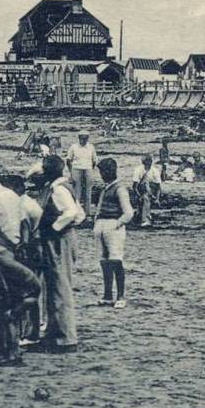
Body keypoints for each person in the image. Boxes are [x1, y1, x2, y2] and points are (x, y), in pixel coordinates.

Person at [0, 163, 41, 365]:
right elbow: (23, 223)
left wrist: (10, 245)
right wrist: (19, 245)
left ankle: (4, 349)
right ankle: (11, 347)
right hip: (12, 251)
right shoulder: (11, 194)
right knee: (11, 300)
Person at [36, 155, 81, 351]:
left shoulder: (59, 189)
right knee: (55, 286)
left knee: (60, 287)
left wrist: (54, 228)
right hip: (63, 237)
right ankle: (56, 333)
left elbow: (72, 213)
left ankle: (65, 338)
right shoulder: (62, 186)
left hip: (59, 238)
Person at [3, 175, 43, 346]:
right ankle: (30, 331)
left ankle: (28, 332)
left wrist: (18, 250)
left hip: (29, 250)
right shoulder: (29, 202)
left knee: (24, 292)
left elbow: (24, 234)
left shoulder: (21, 206)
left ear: (18, 188)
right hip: (37, 247)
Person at [93, 158, 135, 309]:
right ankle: (107, 295)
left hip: (113, 226)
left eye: (104, 171)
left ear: (111, 171)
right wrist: (96, 223)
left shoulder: (120, 188)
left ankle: (121, 296)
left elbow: (129, 212)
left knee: (116, 261)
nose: (102, 174)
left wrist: (117, 224)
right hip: (102, 225)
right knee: (104, 262)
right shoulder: (106, 188)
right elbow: (98, 209)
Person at [66, 131, 97, 219]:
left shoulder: (91, 147)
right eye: (82, 138)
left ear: (88, 138)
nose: (83, 140)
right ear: (79, 138)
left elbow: (94, 160)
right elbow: (68, 160)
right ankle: (77, 213)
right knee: (77, 192)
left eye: (85, 138)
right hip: (76, 169)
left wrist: (90, 169)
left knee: (88, 192)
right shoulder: (73, 147)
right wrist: (71, 172)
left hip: (88, 169)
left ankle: (87, 213)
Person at [131, 155, 163, 227]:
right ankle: (142, 215)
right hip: (140, 189)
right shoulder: (138, 170)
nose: (149, 163)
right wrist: (138, 196)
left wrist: (157, 198)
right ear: (144, 162)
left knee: (146, 197)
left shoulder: (155, 171)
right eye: (147, 161)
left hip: (152, 189)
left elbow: (158, 187)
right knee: (144, 196)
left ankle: (145, 219)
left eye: (150, 161)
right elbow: (134, 186)